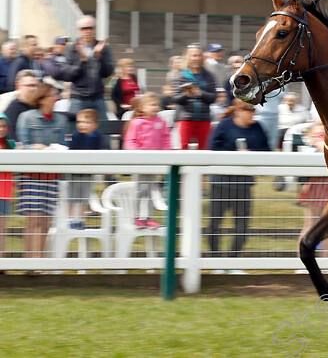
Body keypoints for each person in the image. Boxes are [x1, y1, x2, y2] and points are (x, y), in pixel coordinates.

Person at [208, 99, 270, 266]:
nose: (252, 113)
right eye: (247, 109)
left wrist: (250, 153)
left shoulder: (257, 128)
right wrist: (234, 154)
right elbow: (213, 149)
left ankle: (232, 263)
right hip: (221, 183)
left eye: (253, 109)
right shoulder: (224, 125)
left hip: (244, 184)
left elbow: (267, 151)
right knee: (214, 223)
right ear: (237, 111)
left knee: (242, 226)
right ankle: (215, 262)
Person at [15, 82, 69, 273]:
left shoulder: (61, 121)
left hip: (52, 175)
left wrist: (54, 149)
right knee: (34, 218)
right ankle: (32, 260)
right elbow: (22, 145)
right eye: (53, 95)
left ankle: (38, 259)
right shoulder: (26, 117)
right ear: (43, 97)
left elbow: (63, 145)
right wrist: (35, 148)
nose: (57, 98)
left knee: (45, 219)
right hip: (31, 175)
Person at [297, 122, 328, 253]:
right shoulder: (319, 132)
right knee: (310, 225)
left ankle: (326, 265)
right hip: (318, 185)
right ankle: (301, 263)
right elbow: (323, 147)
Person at [123, 92, 171, 228]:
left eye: (157, 105)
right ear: (142, 108)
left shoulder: (161, 122)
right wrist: (138, 154)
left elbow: (166, 139)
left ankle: (148, 217)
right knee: (139, 190)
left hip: (154, 163)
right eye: (152, 105)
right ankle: (136, 216)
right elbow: (130, 141)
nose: (155, 107)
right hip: (140, 163)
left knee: (151, 191)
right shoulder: (137, 123)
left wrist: (165, 153)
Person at [60, 15, 115, 120]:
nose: (87, 31)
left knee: (103, 131)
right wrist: (82, 61)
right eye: (84, 28)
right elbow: (67, 75)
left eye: (91, 28)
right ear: (79, 31)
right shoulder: (71, 49)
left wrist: (99, 57)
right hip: (78, 98)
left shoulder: (103, 48)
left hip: (98, 97)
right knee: (74, 131)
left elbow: (108, 73)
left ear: (95, 29)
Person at [66, 108, 107, 230]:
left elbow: (100, 152)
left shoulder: (98, 136)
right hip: (74, 172)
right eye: (79, 122)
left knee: (84, 196)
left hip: (88, 172)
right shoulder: (75, 136)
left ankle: (80, 219)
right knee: (72, 196)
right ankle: (70, 219)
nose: (82, 125)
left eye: (86, 122)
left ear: (95, 124)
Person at [171, 43, 217, 149]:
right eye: (193, 55)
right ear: (187, 57)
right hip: (186, 118)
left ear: (203, 57)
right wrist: (186, 95)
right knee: (184, 148)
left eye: (198, 55)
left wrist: (201, 93)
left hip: (204, 119)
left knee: (204, 148)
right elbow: (175, 98)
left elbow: (213, 97)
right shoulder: (181, 76)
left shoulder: (209, 75)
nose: (196, 58)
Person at [2, 70, 40, 140]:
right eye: (30, 85)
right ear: (17, 85)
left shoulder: (40, 105)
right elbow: (11, 137)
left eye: (36, 85)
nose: (34, 89)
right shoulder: (13, 108)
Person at [0, 114, 16, 268]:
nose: (1, 129)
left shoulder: (10, 144)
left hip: (5, 192)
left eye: (4, 126)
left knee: (2, 229)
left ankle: (2, 261)